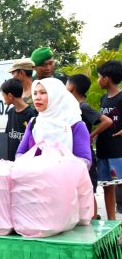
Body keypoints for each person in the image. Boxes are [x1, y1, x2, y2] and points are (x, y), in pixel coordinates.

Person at [67, 73, 113, 219]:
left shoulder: (83, 106)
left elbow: (107, 121)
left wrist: (90, 136)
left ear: (71, 87)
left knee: (88, 189)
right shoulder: (73, 106)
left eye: (66, 84)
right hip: (76, 155)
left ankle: (92, 218)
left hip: (85, 155)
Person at [16, 78, 91, 165]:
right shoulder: (34, 123)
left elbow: (85, 162)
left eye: (43, 92)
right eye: (35, 93)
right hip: (35, 178)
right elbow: (20, 153)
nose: (37, 97)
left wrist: (51, 166)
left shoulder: (74, 124)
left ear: (56, 96)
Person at [95, 61, 122, 220]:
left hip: (118, 150)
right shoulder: (103, 99)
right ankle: (112, 223)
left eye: (99, 77)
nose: (98, 80)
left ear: (107, 79)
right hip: (103, 148)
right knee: (107, 186)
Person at [1, 78, 36, 161]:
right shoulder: (10, 112)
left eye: (3, 95)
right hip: (11, 161)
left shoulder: (31, 115)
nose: (3, 98)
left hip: (26, 161)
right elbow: (10, 137)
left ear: (10, 96)